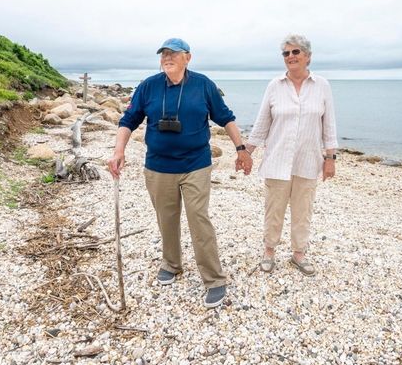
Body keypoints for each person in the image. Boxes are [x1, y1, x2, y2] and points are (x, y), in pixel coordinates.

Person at [107, 37, 252, 309]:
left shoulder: (203, 85)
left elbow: (226, 117)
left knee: (199, 219)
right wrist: (118, 151)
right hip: (158, 166)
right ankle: (172, 264)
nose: (167, 58)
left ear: (188, 57)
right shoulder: (148, 86)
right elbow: (128, 120)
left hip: (196, 164)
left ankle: (214, 279)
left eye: (173, 54)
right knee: (166, 218)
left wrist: (241, 149)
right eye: (164, 54)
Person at [245, 34, 338, 276]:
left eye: (295, 52)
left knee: (303, 210)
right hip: (277, 161)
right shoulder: (274, 86)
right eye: (286, 53)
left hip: (308, 161)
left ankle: (299, 254)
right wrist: (247, 152)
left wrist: (331, 158)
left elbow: (329, 125)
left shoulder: (322, 86)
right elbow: (262, 123)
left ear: (308, 56)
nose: (290, 57)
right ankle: (269, 252)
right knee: (273, 209)